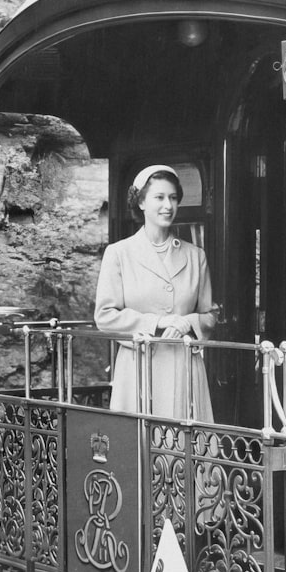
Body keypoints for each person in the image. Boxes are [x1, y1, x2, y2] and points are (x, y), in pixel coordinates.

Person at [94, 165, 216, 419]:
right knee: (140, 447)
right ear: (141, 202)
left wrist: (187, 323)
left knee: (184, 448)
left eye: (172, 198)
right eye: (159, 197)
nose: (167, 205)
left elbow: (209, 315)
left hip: (185, 369)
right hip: (139, 369)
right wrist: (158, 322)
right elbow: (105, 316)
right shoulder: (119, 253)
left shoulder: (195, 256)